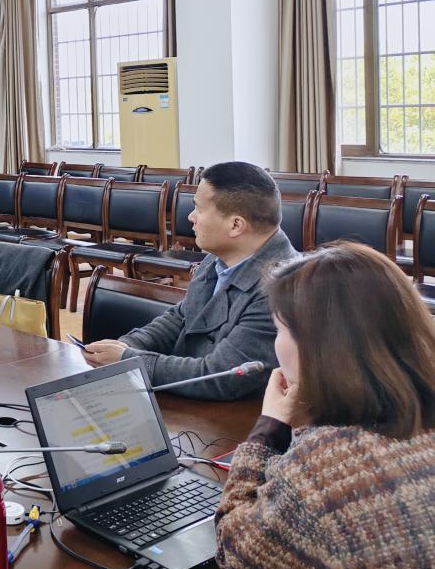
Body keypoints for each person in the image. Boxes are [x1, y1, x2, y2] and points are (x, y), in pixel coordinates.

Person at [214, 244, 435, 569]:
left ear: (319, 347)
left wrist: (268, 428)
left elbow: (236, 549)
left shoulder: (330, 467)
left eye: (279, 329)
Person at [82, 161, 297, 400]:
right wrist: (128, 345)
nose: (191, 217)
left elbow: (220, 376)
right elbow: (181, 317)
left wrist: (131, 360)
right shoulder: (219, 257)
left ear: (236, 225)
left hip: (237, 413)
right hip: (191, 398)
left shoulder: (281, 288)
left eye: (199, 209)